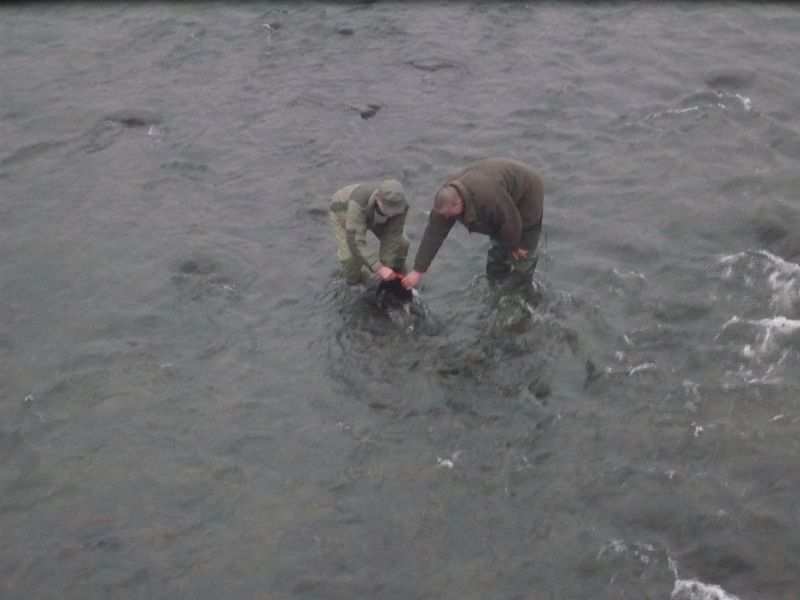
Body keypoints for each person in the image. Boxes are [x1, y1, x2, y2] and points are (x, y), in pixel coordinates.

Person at [402, 158, 543, 291]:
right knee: (499, 251)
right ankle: (496, 286)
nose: (447, 217)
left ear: (458, 203)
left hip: (527, 192)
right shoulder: (446, 201)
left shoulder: (487, 197)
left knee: (522, 256)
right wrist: (418, 271)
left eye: (449, 214)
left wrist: (514, 246)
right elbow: (434, 233)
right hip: (499, 196)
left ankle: (521, 293)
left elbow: (510, 219)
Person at [328, 179, 410, 285]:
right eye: (388, 209)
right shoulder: (358, 202)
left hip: (375, 215)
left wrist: (387, 267)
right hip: (344, 211)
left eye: (395, 211)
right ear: (377, 200)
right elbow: (355, 241)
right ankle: (354, 281)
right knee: (351, 257)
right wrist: (378, 267)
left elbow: (393, 237)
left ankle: (395, 274)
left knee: (402, 243)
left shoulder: (402, 206)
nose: (392, 214)